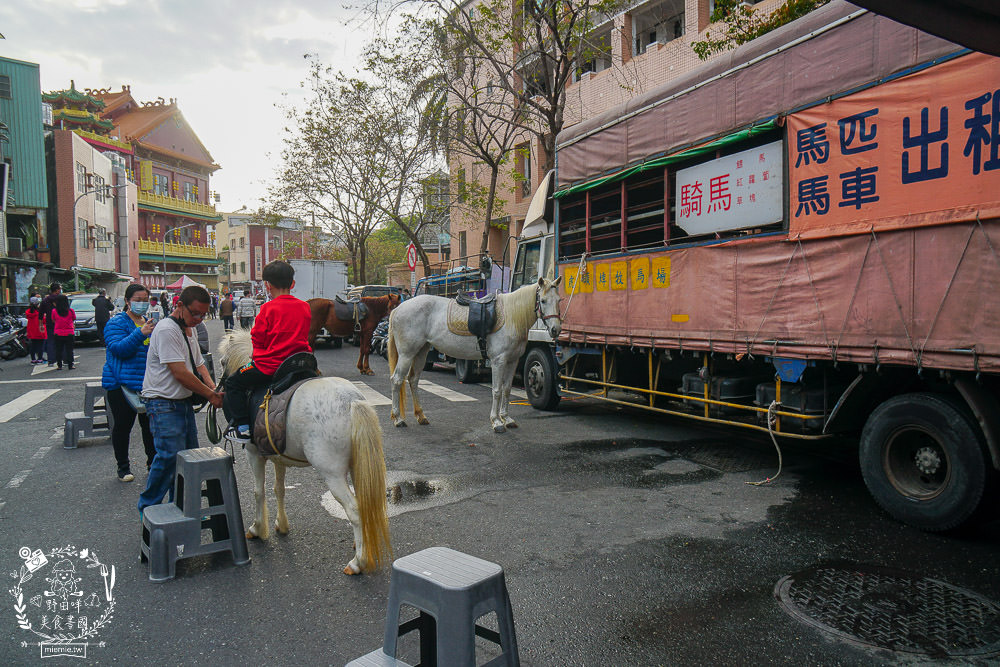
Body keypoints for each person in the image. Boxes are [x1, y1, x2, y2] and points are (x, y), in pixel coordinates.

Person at [138, 286, 223, 514]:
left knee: (187, 461)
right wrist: (209, 395)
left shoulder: (189, 329)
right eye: (195, 313)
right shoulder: (167, 329)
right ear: (179, 306)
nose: (198, 319)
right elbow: (180, 372)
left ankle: (180, 510)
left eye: (203, 315)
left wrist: (213, 388)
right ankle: (148, 509)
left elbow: (199, 364)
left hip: (182, 403)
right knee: (168, 459)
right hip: (163, 404)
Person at [223, 261, 312, 443]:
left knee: (233, 383)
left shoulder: (267, 308)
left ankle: (242, 427)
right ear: (292, 284)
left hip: (271, 367)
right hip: (301, 363)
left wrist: (254, 355)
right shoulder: (304, 306)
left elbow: (257, 339)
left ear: (267, 285)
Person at [102, 283, 157, 482]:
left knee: (150, 427)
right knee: (123, 426)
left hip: (146, 383)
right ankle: (123, 467)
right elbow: (118, 349)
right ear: (127, 301)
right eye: (137, 300)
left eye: (145, 300)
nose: (142, 304)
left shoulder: (149, 322)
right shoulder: (116, 323)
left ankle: (153, 463)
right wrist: (140, 333)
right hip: (121, 384)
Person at [49, 294, 75, 370]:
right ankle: (71, 365)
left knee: (58, 349)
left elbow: (53, 320)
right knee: (69, 350)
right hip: (69, 332)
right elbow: (73, 318)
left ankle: (59, 365)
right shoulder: (70, 311)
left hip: (58, 332)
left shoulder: (54, 311)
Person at [39, 283, 61, 367]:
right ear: (57, 290)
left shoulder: (45, 300)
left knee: (50, 342)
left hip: (49, 324)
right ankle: (64, 359)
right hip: (60, 323)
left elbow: (41, 313)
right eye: (59, 289)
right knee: (61, 342)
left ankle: (51, 360)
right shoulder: (60, 299)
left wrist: (40, 325)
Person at [25, 293, 47, 364]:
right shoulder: (39, 312)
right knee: (40, 346)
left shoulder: (28, 312)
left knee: (33, 345)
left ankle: (33, 359)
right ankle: (40, 359)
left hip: (31, 331)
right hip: (40, 330)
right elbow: (44, 320)